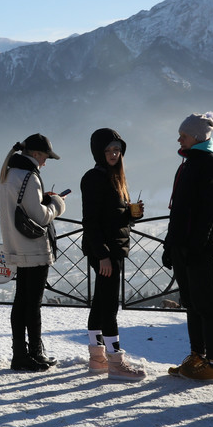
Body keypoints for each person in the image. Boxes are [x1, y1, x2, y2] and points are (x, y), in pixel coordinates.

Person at [163, 111, 213, 382]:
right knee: (191, 304)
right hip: (183, 249)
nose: (179, 139)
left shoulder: (210, 165)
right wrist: (171, 245)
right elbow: (178, 210)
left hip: (199, 250)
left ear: (197, 137)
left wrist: (195, 246)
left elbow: (210, 211)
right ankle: (196, 356)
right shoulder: (188, 163)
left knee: (206, 305)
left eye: (184, 135)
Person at [80, 128, 146, 380]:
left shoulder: (114, 177)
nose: (113, 153)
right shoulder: (95, 178)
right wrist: (103, 254)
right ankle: (115, 361)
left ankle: (97, 358)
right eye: (108, 150)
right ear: (98, 152)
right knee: (109, 306)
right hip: (106, 252)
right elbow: (91, 221)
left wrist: (131, 214)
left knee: (100, 303)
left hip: (110, 249)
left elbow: (111, 217)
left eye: (117, 149)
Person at [0, 133, 67, 372]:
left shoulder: (7, 173)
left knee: (21, 301)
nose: (45, 163)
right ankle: (35, 353)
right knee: (33, 304)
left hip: (15, 244)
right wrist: (56, 204)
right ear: (36, 155)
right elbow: (40, 217)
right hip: (33, 248)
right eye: (45, 157)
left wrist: (41, 200)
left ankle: (20, 354)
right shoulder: (30, 176)